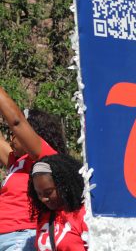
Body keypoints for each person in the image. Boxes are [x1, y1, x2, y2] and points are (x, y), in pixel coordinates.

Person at [0, 86, 67, 250]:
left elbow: (16, 121)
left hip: (20, 239)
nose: (10, 139)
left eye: (13, 135)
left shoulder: (43, 157)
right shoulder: (16, 163)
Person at [28, 154, 88, 251]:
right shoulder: (44, 217)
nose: (43, 199)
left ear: (63, 186)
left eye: (48, 192)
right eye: (39, 193)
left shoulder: (83, 215)